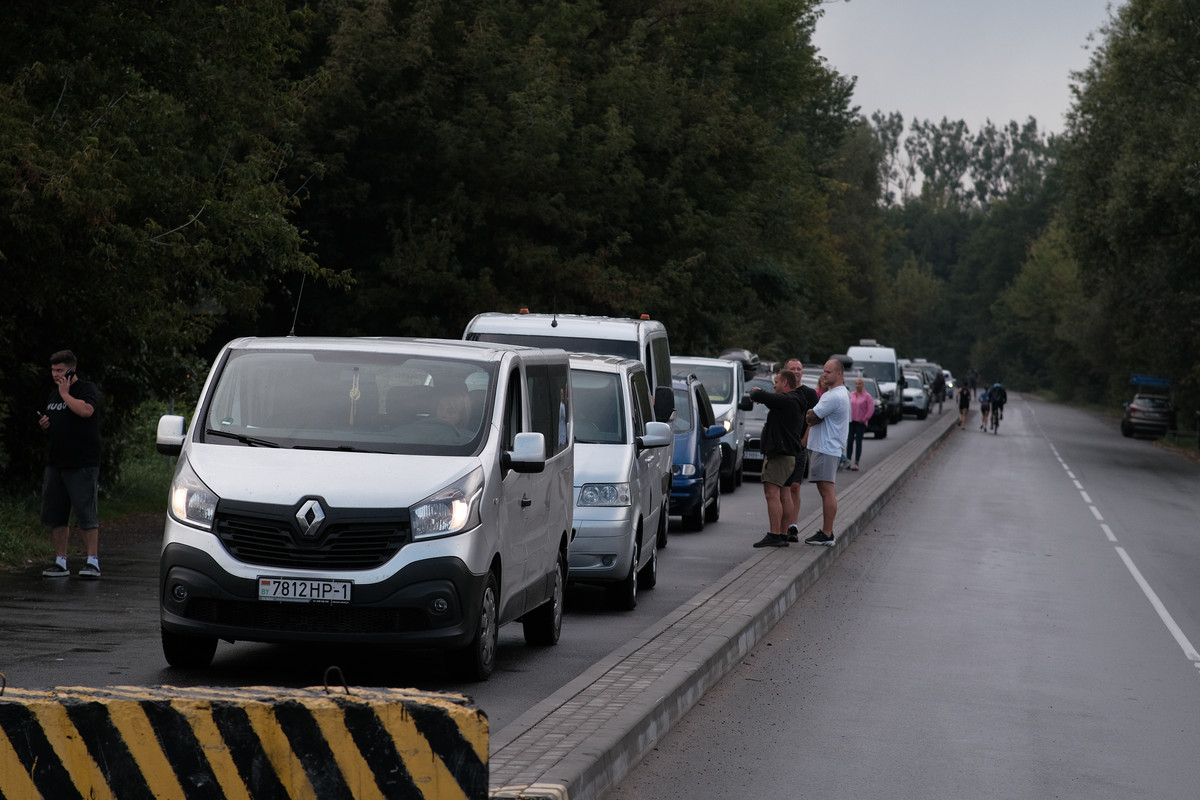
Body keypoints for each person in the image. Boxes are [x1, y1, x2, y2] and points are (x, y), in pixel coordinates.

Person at [37, 350, 102, 579]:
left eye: (60, 370)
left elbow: (86, 411)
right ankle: (60, 561)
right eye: (53, 370)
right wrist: (46, 424)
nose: (55, 375)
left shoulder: (86, 389)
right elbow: (59, 422)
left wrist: (65, 394)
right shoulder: (53, 395)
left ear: (72, 369)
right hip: (56, 463)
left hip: (82, 463)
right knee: (56, 514)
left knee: (86, 512)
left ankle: (92, 561)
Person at [747, 369, 805, 548]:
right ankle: (782, 533)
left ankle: (775, 534)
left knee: (771, 493)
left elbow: (761, 395)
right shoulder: (794, 401)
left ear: (786, 384)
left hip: (780, 455)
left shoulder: (788, 400)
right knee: (784, 493)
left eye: (777, 382)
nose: (774, 386)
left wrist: (755, 392)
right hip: (789, 455)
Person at [803, 359, 851, 547]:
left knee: (826, 490)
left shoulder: (833, 396)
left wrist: (810, 413)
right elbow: (814, 418)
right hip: (828, 447)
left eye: (829, 372)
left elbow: (811, 417)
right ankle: (826, 532)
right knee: (825, 490)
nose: (824, 375)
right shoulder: (839, 393)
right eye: (824, 371)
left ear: (839, 374)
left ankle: (827, 533)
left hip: (826, 447)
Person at [781, 359, 819, 542]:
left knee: (795, 486)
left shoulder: (810, 394)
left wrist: (804, 440)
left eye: (799, 369)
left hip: (799, 446)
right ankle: (781, 525)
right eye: (792, 369)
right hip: (782, 446)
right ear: (786, 372)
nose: (796, 371)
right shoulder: (783, 392)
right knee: (782, 488)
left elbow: (815, 419)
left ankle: (792, 526)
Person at [846, 377, 875, 471]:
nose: (858, 385)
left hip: (861, 422)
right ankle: (848, 461)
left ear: (863, 385)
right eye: (856, 384)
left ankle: (856, 462)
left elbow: (870, 409)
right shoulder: (852, 395)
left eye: (860, 384)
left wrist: (865, 418)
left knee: (858, 441)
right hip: (852, 421)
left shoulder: (867, 396)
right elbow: (848, 406)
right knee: (849, 441)